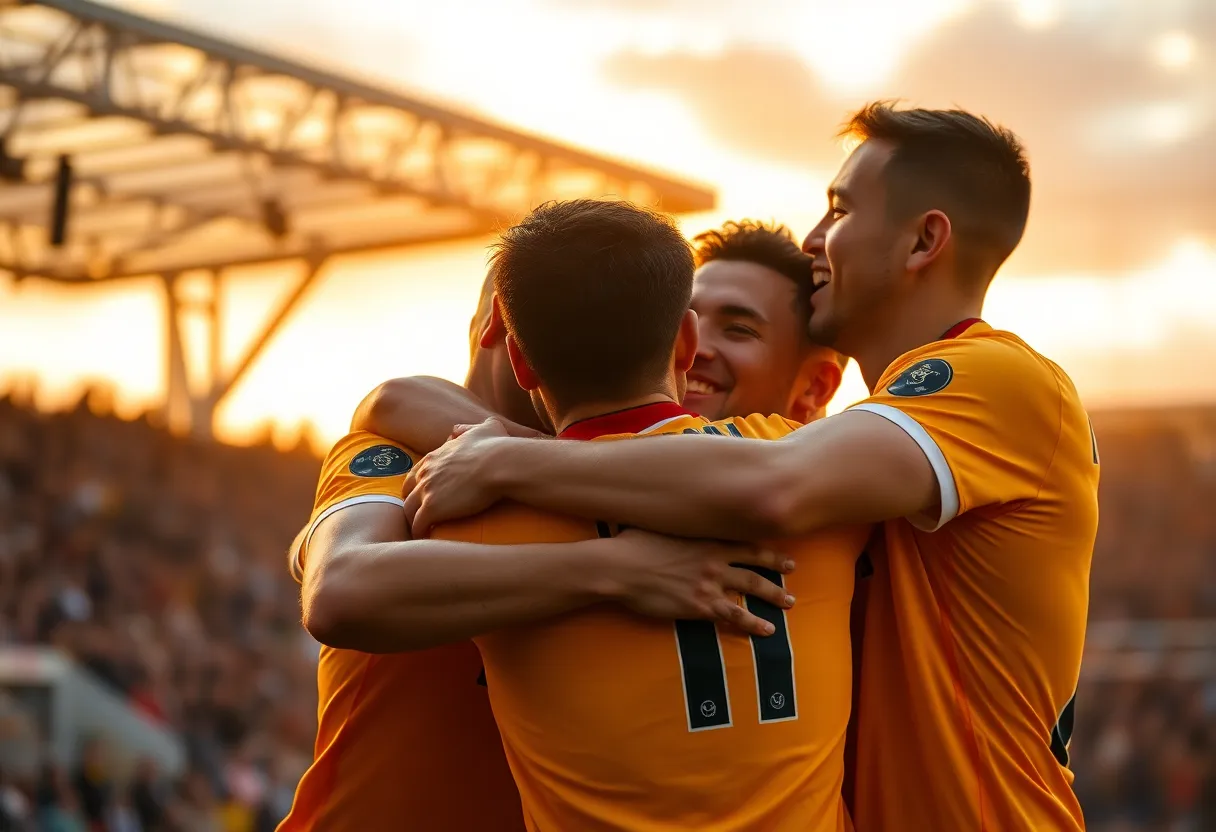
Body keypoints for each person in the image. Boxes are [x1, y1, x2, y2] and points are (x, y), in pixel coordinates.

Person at [403, 103, 1100, 831]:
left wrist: (510, 461)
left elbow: (774, 487)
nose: (814, 239)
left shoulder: (1000, 378)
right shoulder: (855, 438)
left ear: (925, 239)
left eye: (839, 210)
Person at [282, 261, 791, 830]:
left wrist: (527, 461)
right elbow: (341, 590)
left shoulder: (648, 475)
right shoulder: (404, 454)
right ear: (506, 324)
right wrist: (616, 568)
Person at [423, 198, 866, 830]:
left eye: (739, 328)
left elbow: (349, 593)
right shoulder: (827, 485)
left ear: (521, 362)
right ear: (683, 340)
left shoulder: (469, 520)